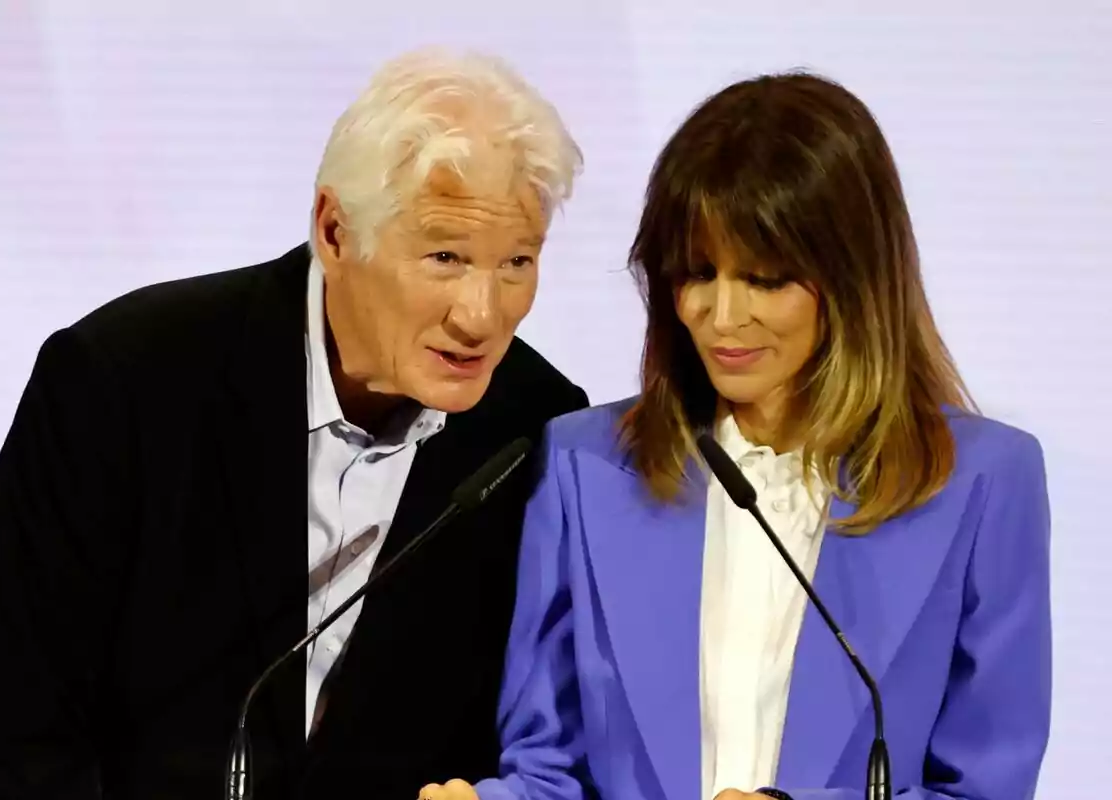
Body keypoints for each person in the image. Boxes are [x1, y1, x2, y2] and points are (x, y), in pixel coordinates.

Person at [0, 48, 589, 799]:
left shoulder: (532, 429)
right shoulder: (124, 380)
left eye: (516, 263)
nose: (481, 315)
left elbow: (527, 741)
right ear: (335, 231)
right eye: (446, 256)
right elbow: (4, 740)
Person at [421, 72, 1051, 800]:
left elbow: (984, 787)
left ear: (855, 278)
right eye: (697, 273)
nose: (721, 316)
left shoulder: (983, 481)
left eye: (765, 279)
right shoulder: (584, 464)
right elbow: (549, 770)